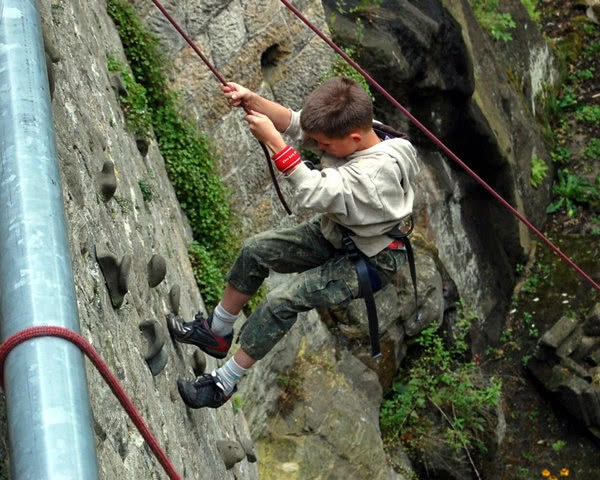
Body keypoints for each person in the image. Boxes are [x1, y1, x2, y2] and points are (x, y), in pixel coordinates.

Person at [167, 76, 420, 409]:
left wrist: (274, 142)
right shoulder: (366, 132)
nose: (318, 149)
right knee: (256, 250)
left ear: (353, 137)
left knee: (281, 301)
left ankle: (223, 383)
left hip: (373, 257)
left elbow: (313, 191)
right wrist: (253, 99)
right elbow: (300, 124)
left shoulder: (374, 176)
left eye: (324, 146)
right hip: (341, 231)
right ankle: (217, 331)